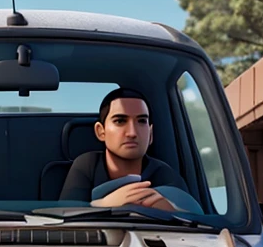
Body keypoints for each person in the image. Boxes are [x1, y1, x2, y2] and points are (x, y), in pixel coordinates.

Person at [59, 87, 187, 209]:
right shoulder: (87, 165)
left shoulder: (165, 175)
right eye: (120, 121)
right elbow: (64, 216)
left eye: (141, 121)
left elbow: (194, 218)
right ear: (101, 131)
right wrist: (102, 205)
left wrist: (171, 210)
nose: (132, 133)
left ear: (151, 133)